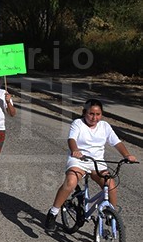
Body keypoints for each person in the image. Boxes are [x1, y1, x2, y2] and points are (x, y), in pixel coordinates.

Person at [44, 99, 138, 232]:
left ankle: (112, 216)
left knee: (110, 186)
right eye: (91, 114)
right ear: (84, 113)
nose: (94, 118)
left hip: (97, 163)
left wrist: (127, 155)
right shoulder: (78, 123)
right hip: (79, 160)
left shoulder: (104, 126)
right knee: (70, 182)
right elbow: (72, 139)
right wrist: (75, 150)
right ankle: (53, 213)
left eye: (98, 114)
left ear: (102, 114)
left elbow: (116, 142)